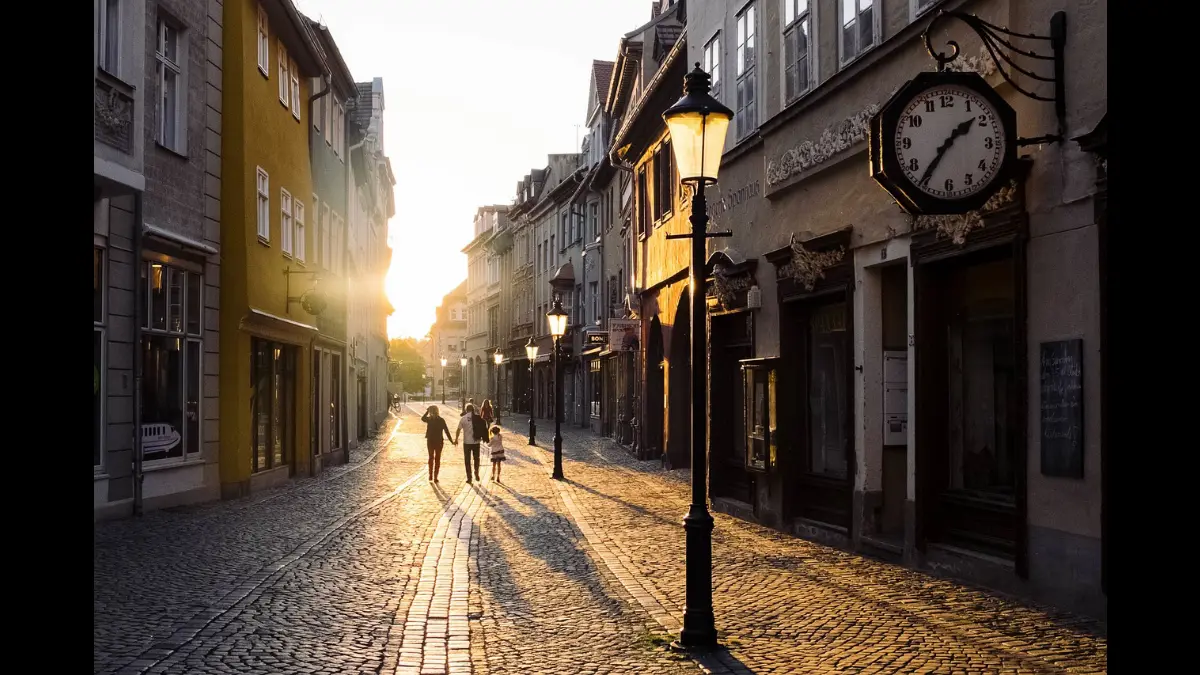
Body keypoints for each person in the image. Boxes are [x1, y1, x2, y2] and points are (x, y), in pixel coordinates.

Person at [455, 403, 489, 484]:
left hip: (466, 443)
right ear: (473, 409)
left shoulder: (463, 418)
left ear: (466, 410)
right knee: (476, 458)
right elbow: (484, 426)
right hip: (476, 442)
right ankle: (476, 472)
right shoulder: (478, 418)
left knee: (467, 460)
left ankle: (469, 477)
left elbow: (458, 430)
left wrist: (456, 439)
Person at [421, 405, 455, 482]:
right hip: (439, 441)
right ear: (438, 411)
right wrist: (451, 441)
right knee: (437, 458)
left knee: (430, 457)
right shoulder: (441, 420)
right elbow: (446, 431)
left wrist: (427, 411)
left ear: (431, 412)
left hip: (430, 441)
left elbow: (422, 418)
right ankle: (435, 477)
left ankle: (430, 475)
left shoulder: (429, 419)